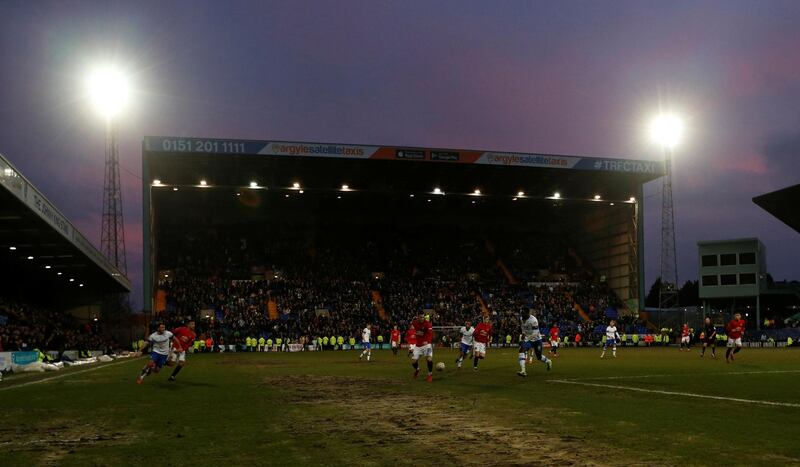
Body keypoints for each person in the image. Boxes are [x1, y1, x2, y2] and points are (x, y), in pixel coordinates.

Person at [517, 310, 553, 377]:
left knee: (539, 357)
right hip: (529, 340)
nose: (522, 316)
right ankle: (523, 371)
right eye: (522, 314)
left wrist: (526, 339)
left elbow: (535, 333)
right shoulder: (522, 318)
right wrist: (523, 334)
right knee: (521, 350)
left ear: (528, 313)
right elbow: (523, 327)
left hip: (537, 340)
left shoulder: (533, 320)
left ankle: (548, 361)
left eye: (523, 314)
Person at [410, 312, 434, 382]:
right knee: (414, 362)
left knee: (429, 359)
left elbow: (430, 334)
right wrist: (415, 333)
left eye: (423, 317)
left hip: (427, 345)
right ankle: (417, 369)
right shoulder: (414, 323)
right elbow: (412, 327)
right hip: (418, 345)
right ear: (418, 317)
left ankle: (430, 374)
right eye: (420, 317)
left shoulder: (427, 324)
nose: (422, 318)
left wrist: (428, 341)